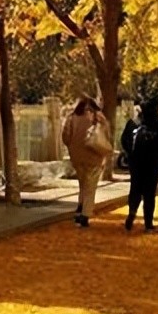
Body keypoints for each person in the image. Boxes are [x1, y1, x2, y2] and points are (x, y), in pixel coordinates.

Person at [120, 100, 158, 231]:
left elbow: (124, 140)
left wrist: (130, 154)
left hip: (136, 163)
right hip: (153, 164)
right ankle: (148, 223)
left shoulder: (133, 123)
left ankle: (132, 211)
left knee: (135, 188)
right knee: (149, 192)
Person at [61, 96, 110, 228]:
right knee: (90, 187)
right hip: (94, 156)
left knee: (83, 183)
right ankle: (85, 214)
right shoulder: (98, 117)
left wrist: (72, 147)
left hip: (77, 157)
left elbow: (65, 136)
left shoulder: (71, 117)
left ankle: (80, 208)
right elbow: (106, 135)